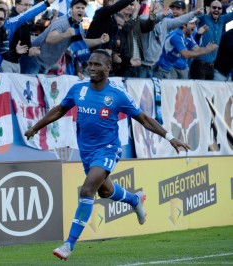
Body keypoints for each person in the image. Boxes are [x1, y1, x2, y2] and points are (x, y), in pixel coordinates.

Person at [24, 49, 190, 261]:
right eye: (90, 64)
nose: (91, 68)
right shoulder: (79, 90)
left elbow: (144, 119)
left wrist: (169, 137)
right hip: (86, 150)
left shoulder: (118, 94)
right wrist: (36, 128)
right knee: (104, 191)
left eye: (97, 65)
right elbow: (59, 110)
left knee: (87, 189)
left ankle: (68, 245)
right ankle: (134, 199)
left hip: (108, 149)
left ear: (108, 68)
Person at [26, 0, 109, 74]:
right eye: (77, 7)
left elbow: (82, 42)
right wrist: (65, 34)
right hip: (34, 60)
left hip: (46, 64)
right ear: (71, 9)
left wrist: (100, 40)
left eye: (83, 8)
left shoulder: (78, 25)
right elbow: (49, 39)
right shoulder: (63, 22)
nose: (80, 10)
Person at [138, 1, 203, 78]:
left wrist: (194, 13)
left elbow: (180, 20)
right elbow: (150, 22)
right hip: (143, 64)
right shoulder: (143, 18)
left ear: (163, 10)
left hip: (157, 65)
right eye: (152, 8)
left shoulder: (166, 22)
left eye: (156, 8)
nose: (153, 10)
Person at [153, 17, 218, 79]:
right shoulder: (176, 37)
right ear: (184, 25)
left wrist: (207, 48)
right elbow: (186, 54)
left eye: (195, 23)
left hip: (167, 69)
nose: (195, 26)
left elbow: (196, 49)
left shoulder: (188, 36)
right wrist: (207, 50)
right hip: (159, 69)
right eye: (192, 23)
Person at [189, 0, 233, 80]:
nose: (216, 9)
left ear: (221, 10)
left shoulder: (222, 19)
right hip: (199, 65)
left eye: (219, 8)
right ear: (210, 9)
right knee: (199, 92)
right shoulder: (204, 18)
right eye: (214, 7)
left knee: (209, 92)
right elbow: (197, 12)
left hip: (211, 67)